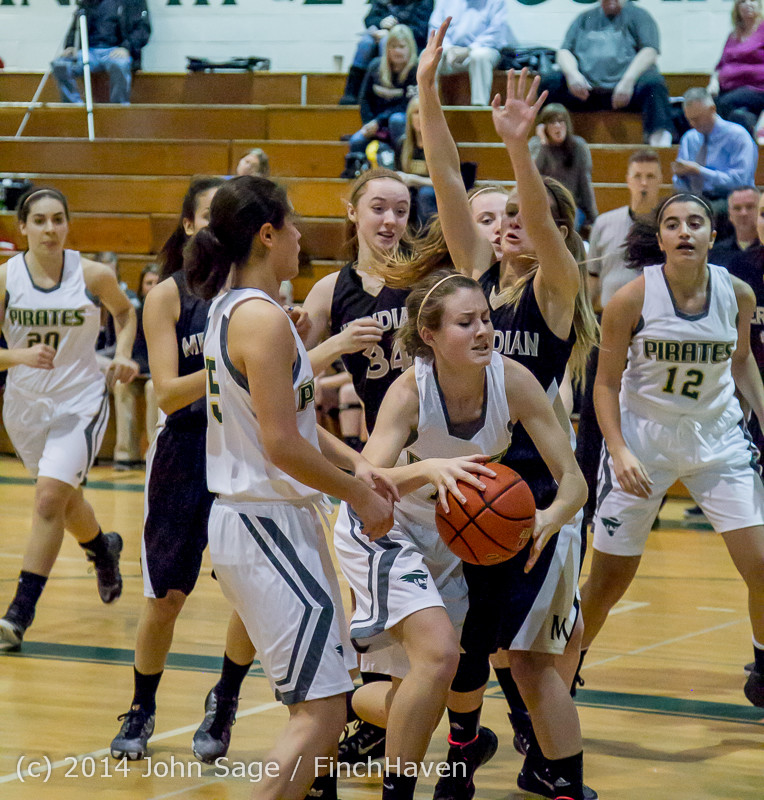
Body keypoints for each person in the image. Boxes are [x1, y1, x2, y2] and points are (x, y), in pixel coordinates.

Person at [418, 22, 599, 800]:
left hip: (537, 493)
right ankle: (491, 751)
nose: (511, 224)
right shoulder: (474, 285)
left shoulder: (556, 290)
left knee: (526, 661)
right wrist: (427, 90)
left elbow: (533, 215)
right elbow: (449, 180)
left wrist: (521, 149)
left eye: (528, 214)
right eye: (506, 217)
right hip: (473, 490)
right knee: (473, 649)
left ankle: (562, 778)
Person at [333, 270, 587, 800]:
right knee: (441, 658)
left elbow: (574, 482)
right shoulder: (410, 391)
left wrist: (547, 517)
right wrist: (428, 471)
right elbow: (365, 479)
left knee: (433, 677)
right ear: (429, 335)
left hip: (446, 541)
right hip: (384, 526)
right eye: (465, 322)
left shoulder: (511, 380)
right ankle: (390, 778)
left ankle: (417, 749)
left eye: (487, 319)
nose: (483, 332)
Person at [185, 175, 396, 800]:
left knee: (324, 709)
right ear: (267, 233)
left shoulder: (250, 311)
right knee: (323, 714)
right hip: (263, 520)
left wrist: (361, 467)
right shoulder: (261, 320)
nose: (303, 234)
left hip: (276, 520)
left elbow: (297, 423)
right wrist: (356, 494)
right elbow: (280, 444)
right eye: (293, 223)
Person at [579, 192, 764, 710]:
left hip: (718, 441)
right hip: (643, 443)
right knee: (609, 580)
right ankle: (567, 666)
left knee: (763, 565)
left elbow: (742, 360)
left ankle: (763, 662)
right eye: (673, 224)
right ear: (659, 238)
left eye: (696, 222)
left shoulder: (738, 294)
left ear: (712, 234)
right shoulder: (631, 299)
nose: (685, 231)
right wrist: (617, 450)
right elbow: (604, 385)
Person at [108, 176, 254, 762]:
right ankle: (141, 707)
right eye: (208, 217)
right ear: (190, 226)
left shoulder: (252, 292)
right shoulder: (168, 295)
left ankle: (226, 698)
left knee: (247, 590)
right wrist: (231, 362)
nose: (218, 227)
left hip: (244, 447)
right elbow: (167, 393)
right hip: (186, 448)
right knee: (165, 594)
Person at [0, 187, 139, 650]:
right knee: (63, 497)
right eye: (39, 221)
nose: (50, 229)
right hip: (24, 404)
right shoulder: (6, 277)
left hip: (79, 402)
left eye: (58, 219)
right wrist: (18, 354)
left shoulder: (92, 273)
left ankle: (17, 615)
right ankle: (102, 548)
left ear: (67, 224)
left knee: (47, 499)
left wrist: (121, 353)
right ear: (22, 227)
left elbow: (124, 314)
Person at [577, 148, 663, 523]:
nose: (643, 183)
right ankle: (586, 501)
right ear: (627, 180)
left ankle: (648, 501)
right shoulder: (606, 224)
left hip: (653, 337)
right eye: (638, 176)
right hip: (607, 332)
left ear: (660, 181)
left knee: (646, 419)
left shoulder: (669, 226)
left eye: (650, 176)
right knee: (595, 418)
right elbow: (593, 283)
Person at [539, 0, 674, 148]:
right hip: (586, 92)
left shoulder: (639, 16)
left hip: (624, 93)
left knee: (654, 84)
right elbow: (564, 52)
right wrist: (573, 75)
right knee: (549, 82)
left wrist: (627, 81)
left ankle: (660, 147)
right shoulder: (584, 18)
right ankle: (543, 142)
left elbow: (650, 51)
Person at [51, 0, 151, 105]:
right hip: (88, 51)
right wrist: (71, 46)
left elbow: (143, 29)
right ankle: (74, 106)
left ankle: (119, 107)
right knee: (60, 65)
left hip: (116, 50)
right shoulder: (87, 2)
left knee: (120, 64)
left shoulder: (133, 2)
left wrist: (126, 48)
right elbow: (76, 25)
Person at [340, 0, 433, 105]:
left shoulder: (424, 2)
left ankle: (384, 86)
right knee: (365, 43)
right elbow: (369, 19)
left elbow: (420, 30)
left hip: (409, 40)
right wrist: (381, 22)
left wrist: (394, 31)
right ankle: (351, 93)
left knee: (385, 42)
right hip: (381, 34)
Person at [112, 262, 159, 470]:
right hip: (142, 370)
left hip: (161, 375)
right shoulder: (136, 314)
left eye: (158, 282)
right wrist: (134, 366)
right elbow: (134, 350)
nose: (153, 287)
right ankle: (125, 454)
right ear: (141, 287)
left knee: (153, 388)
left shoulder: (174, 311)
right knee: (122, 385)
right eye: (149, 283)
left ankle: (154, 452)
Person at [672, 87, 758, 200]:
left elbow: (740, 182)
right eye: (689, 119)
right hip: (696, 198)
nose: (693, 124)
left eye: (697, 119)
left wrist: (699, 171)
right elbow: (678, 180)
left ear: (712, 109)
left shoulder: (737, 136)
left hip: (731, 199)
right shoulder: (689, 138)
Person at [348, 25, 419, 157]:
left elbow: (408, 106)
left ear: (410, 48)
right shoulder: (375, 67)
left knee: (396, 120)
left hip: (404, 125)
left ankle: (400, 167)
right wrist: (369, 123)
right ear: (387, 49)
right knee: (356, 141)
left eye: (402, 47)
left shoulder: (415, 70)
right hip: (375, 123)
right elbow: (364, 100)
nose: (397, 51)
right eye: (393, 46)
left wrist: (379, 122)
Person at [429, 0, 513, 107]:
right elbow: (435, 29)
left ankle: (478, 108)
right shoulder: (444, 2)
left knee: (479, 56)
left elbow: (497, 33)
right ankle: (431, 106)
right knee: (428, 56)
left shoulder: (496, 2)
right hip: (451, 53)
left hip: (484, 49)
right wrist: (449, 49)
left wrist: (470, 49)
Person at [528, 103, 598, 232]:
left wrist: (593, 218)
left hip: (571, 206)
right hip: (542, 206)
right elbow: (530, 177)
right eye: (552, 122)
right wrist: (544, 144)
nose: (557, 126)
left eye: (561, 121)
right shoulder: (535, 145)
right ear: (543, 126)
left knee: (568, 217)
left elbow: (585, 184)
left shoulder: (578, 146)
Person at [709, 0, 764, 137]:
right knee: (707, 105)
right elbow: (720, 65)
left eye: (753, 0)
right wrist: (713, 82)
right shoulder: (733, 35)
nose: (748, 4)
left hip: (756, 89)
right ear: (737, 8)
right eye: (743, 2)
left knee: (724, 103)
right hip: (729, 89)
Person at [397, 96, 438, 227]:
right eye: (416, 112)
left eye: (424, 112)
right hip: (411, 191)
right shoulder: (402, 144)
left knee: (425, 194)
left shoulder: (442, 145)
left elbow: (446, 183)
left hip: (435, 196)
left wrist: (413, 179)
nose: (421, 117)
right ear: (409, 117)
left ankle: (426, 243)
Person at [709, 185, 761, 267]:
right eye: (737, 208)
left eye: (750, 207)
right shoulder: (716, 253)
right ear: (730, 215)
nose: (743, 213)